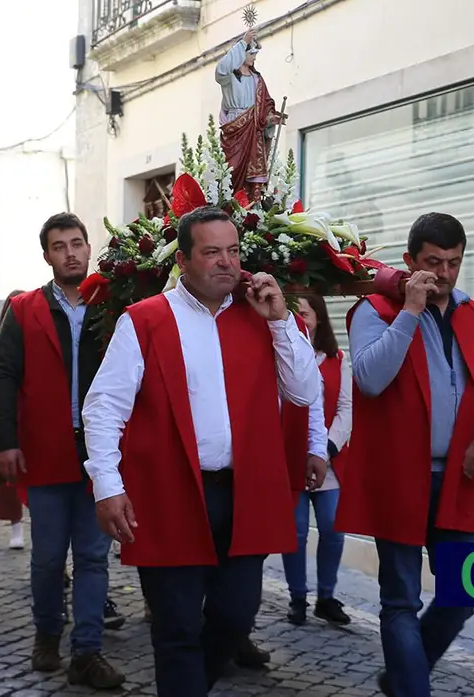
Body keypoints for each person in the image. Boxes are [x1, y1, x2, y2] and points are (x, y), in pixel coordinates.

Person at [83, 205, 324, 697]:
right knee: (175, 627)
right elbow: (104, 407)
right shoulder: (146, 320)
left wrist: (281, 321)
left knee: (235, 616)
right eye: (212, 252)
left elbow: (303, 392)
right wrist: (108, 485)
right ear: (184, 261)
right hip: (169, 493)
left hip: (245, 494)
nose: (226, 262)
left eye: (233, 251)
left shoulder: (264, 316)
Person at [338, 212, 474, 697]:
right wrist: (410, 311)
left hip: (459, 478)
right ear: (410, 261)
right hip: (401, 475)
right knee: (401, 600)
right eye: (433, 262)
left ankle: (402, 678)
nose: (444, 273)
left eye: (454, 262)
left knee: (464, 593)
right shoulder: (374, 310)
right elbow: (370, 379)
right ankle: (412, 686)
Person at [0, 212, 125, 689]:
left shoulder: (113, 304)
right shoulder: (24, 308)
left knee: (92, 557)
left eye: (77, 243)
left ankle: (87, 651)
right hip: (45, 448)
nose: (70, 253)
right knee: (48, 558)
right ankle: (47, 632)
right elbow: (3, 375)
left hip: (99, 453)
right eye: (59, 246)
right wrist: (5, 439)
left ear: (88, 248)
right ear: (47, 255)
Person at [280, 294, 352, 626]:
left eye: (304, 314)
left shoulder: (338, 360)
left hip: (329, 460)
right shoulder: (283, 356)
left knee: (332, 527)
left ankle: (326, 596)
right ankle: (297, 597)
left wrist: (325, 449)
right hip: (292, 458)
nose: (300, 320)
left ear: (318, 318)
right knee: (295, 532)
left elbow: (346, 409)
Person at [216, 28, 285, 200]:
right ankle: (232, 201)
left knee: (254, 167)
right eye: (252, 53)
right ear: (241, 54)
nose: (254, 58)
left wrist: (271, 118)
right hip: (235, 124)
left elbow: (265, 106)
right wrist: (243, 43)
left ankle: (253, 203)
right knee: (232, 169)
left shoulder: (257, 79)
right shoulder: (229, 76)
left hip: (253, 129)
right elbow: (221, 69)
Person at [0, 289, 26, 550]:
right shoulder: (0, 345)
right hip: (11, 415)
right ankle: (16, 525)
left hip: (34, 413)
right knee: (9, 477)